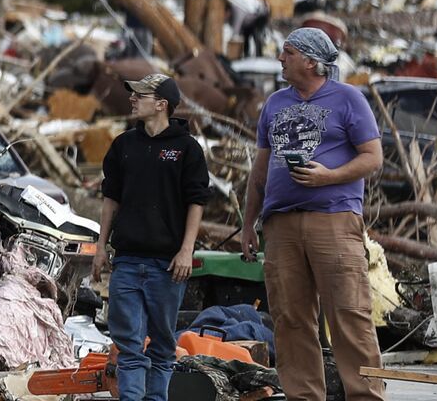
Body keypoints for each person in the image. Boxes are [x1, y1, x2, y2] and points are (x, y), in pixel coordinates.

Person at [240, 28, 386, 401]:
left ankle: (366, 396)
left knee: (348, 313)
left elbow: (373, 157)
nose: (280, 59)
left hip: (334, 220)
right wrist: (248, 224)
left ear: (310, 61)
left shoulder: (348, 99)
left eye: (286, 53)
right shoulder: (274, 104)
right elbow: (260, 170)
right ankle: (303, 397)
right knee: (290, 319)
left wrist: (329, 177)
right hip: (281, 224)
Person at [94, 73, 212, 401]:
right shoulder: (124, 145)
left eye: (140, 95)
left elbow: (196, 201)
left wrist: (186, 250)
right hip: (128, 260)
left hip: (167, 264)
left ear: (161, 104)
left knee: (161, 346)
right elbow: (110, 199)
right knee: (129, 344)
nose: (132, 99)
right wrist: (102, 247)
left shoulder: (187, 149)